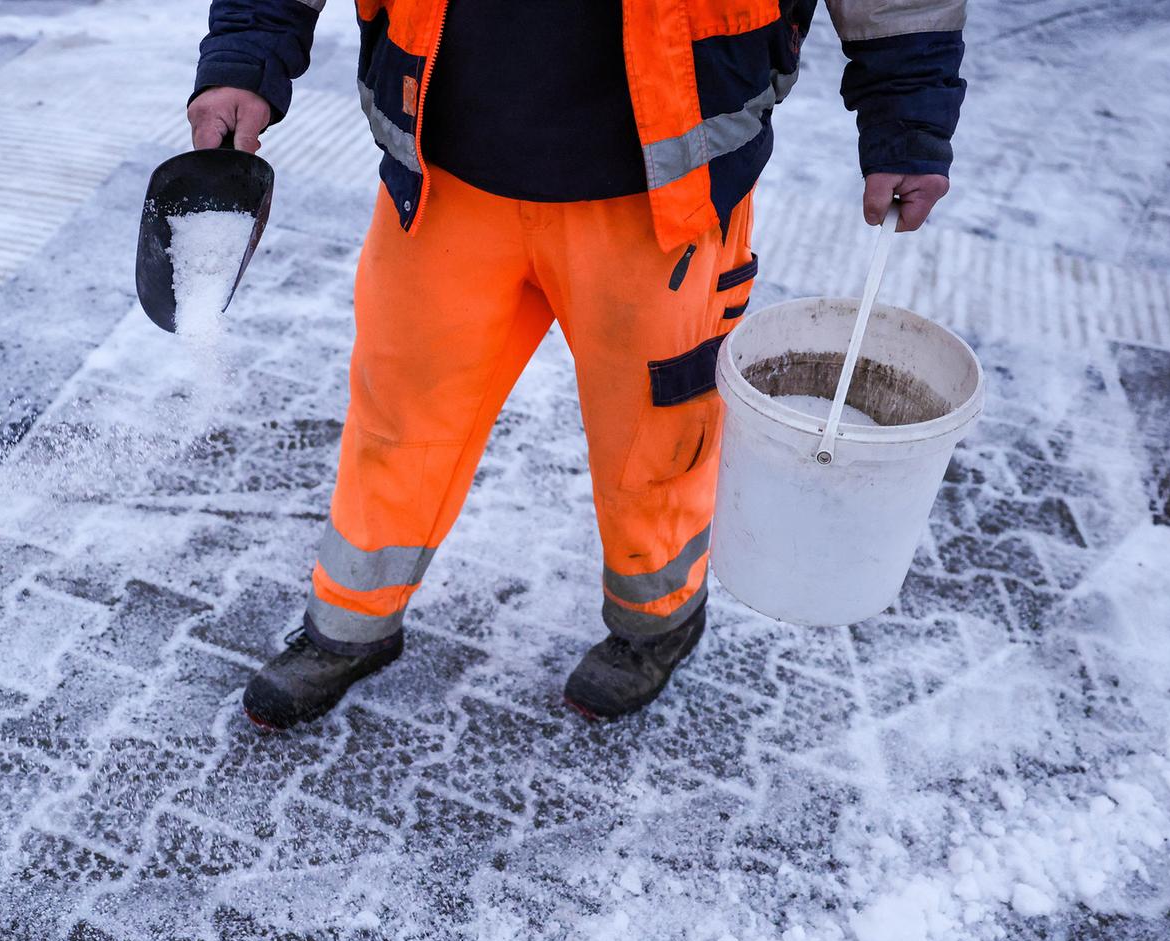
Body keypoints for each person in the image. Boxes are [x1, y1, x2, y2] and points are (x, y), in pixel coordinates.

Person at [187, 0, 966, 729]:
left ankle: (656, 622)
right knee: (398, 415)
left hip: (660, 195)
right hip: (444, 174)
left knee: (655, 442)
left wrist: (909, 118)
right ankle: (349, 623)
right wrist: (245, 57)